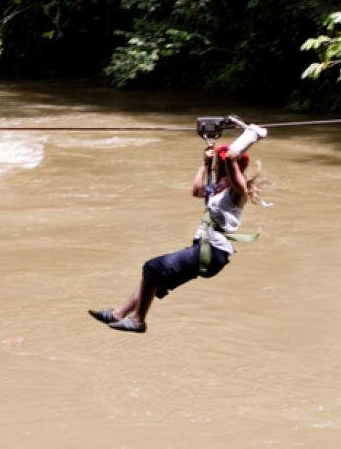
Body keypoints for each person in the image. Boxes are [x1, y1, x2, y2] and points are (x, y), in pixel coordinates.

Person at [89, 127, 267, 333]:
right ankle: (118, 313)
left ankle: (138, 320)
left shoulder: (237, 191)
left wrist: (251, 135)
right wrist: (204, 164)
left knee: (151, 268)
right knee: (155, 280)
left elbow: (230, 158)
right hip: (204, 248)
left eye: (219, 165)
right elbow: (196, 191)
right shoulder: (217, 188)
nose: (217, 167)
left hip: (213, 251)